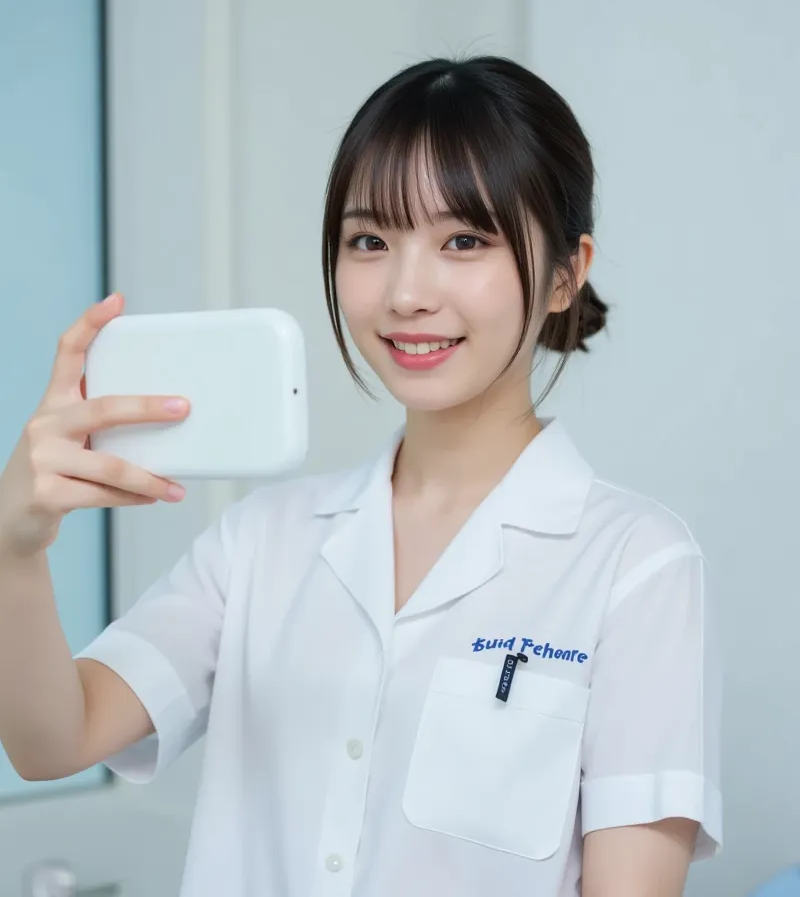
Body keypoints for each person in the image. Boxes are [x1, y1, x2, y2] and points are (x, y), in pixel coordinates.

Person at [0, 56, 721, 897]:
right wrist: (16, 551)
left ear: (566, 273)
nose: (407, 293)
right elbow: (52, 741)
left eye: (464, 241)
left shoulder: (636, 568)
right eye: (370, 241)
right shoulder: (260, 543)